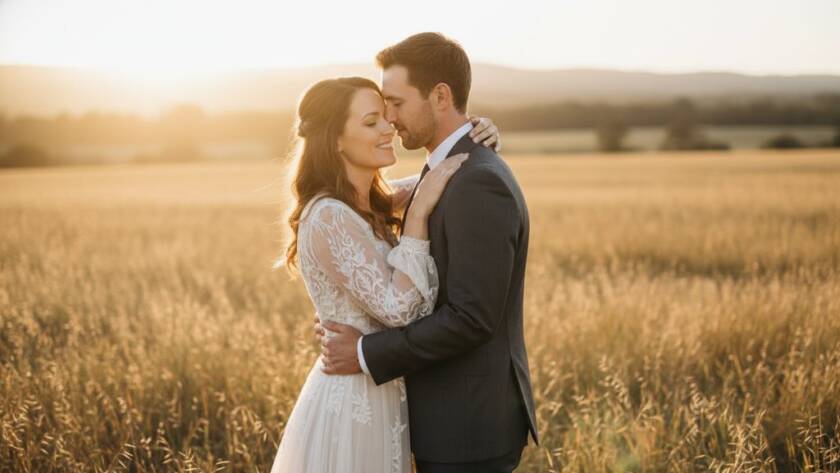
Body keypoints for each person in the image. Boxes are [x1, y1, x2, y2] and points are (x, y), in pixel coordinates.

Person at [317, 33, 538, 473]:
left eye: (396, 103)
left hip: (467, 428)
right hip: (444, 418)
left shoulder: (476, 180)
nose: (390, 119)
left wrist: (364, 352)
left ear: (440, 96)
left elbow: (472, 317)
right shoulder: (445, 167)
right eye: (380, 110)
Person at [270, 73, 501, 473]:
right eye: (371, 121)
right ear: (335, 139)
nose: (388, 128)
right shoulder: (327, 216)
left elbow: (446, 172)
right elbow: (402, 312)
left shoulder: (370, 204)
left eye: (386, 117)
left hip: (381, 392)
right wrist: (418, 219)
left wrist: (477, 133)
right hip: (352, 402)